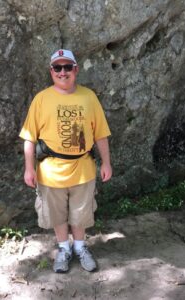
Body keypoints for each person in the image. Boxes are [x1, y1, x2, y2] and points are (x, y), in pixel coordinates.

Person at [19, 49, 112, 273]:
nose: (63, 72)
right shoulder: (41, 99)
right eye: (57, 68)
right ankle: (63, 249)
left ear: (75, 70)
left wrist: (106, 163)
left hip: (83, 169)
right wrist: (29, 168)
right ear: (51, 71)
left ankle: (80, 248)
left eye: (67, 67)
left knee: (80, 214)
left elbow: (100, 133)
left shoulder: (89, 97)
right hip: (50, 171)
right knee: (58, 215)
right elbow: (29, 137)